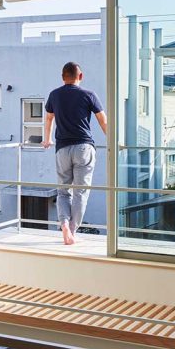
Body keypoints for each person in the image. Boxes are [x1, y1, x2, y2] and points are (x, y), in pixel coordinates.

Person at [43, 62, 108, 246]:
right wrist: (113, 141)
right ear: (81, 76)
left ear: (63, 77)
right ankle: (72, 230)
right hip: (83, 148)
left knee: (63, 191)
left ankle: (63, 223)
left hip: (62, 149)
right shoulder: (88, 95)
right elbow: (103, 121)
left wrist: (47, 139)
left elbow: (49, 118)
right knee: (81, 192)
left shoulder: (54, 95)